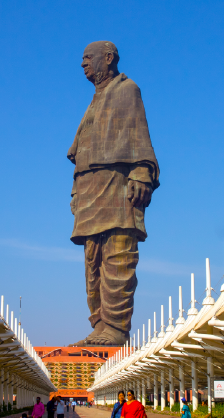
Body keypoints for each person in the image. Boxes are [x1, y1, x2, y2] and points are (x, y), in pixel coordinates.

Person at [69, 41, 161, 346]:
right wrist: (76, 191)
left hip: (117, 184)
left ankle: (117, 328)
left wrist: (141, 172)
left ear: (108, 58)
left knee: (118, 254)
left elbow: (139, 134)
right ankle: (100, 324)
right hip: (90, 187)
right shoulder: (94, 99)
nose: (82, 64)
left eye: (87, 58)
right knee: (92, 259)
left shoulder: (126, 89)